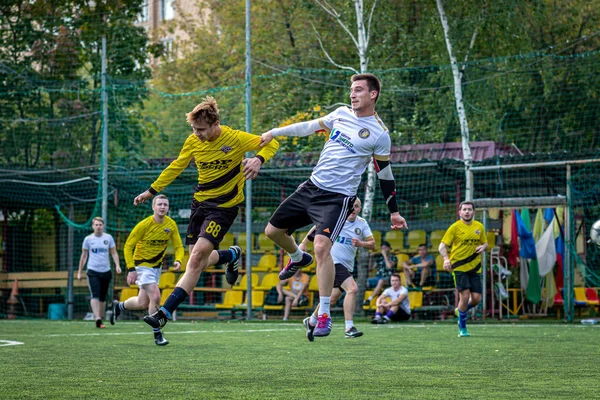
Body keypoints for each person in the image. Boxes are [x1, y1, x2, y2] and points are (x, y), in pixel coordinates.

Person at [260, 73, 408, 338]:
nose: (353, 94)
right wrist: (274, 133)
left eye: (359, 90)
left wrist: (394, 211)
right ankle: (297, 257)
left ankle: (324, 315)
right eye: (351, 90)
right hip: (311, 186)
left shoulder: (379, 134)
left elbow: (385, 174)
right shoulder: (340, 113)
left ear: (373, 94)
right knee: (272, 232)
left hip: (338, 198)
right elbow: (306, 126)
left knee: (321, 246)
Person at [136, 96, 279, 330]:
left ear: (215, 124)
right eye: (193, 129)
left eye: (200, 129)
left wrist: (258, 159)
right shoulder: (193, 142)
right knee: (198, 263)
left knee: (195, 260)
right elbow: (176, 167)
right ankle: (231, 256)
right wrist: (152, 191)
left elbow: (272, 142)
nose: (197, 134)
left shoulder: (235, 138)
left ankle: (164, 312)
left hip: (224, 207)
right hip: (199, 204)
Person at [110, 195, 184, 346]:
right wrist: (131, 269)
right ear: (153, 207)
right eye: (159, 204)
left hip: (156, 267)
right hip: (141, 266)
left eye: (165, 204)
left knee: (142, 303)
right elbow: (128, 246)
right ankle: (158, 335)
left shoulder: (171, 224)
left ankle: (119, 306)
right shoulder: (144, 225)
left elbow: (178, 246)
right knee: (155, 296)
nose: (162, 207)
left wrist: (178, 260)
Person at [301, 198, 375, 341]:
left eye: (357, 207)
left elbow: (372, 244)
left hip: (347, 266)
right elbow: (317, 226)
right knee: (352, 289)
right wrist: (304, 243)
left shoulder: (362, 223)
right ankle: (349, 327)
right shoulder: (337, 218)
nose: (354, 209)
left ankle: (311, 321)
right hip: (333, 262)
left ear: (360, 209)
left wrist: (361, 243)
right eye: (352, 206)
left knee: (331, 299)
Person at [439, 201, 488, 337]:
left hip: (475, 267)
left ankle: (460, 310)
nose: (467, 212)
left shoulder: (479, 227)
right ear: (459, 212)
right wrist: (446, 259)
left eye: (469, 209)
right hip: (459, 267)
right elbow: (442, 246)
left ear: (473, 212)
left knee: (477, 299)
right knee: (464, 297)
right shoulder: (454, 228)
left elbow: (485, 243)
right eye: (464, 209)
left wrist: (483, 247)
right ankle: (463, 329)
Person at [77, 216, 121, 328]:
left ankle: (100, 319)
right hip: (92, 271)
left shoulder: (108, 238)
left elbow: (114, 253)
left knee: (103, 296)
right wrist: (79, 271)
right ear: (93, 226)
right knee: (95, 294)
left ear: (103, 226)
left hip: (106, 271)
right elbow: (84, 256)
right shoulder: (88, 239)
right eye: (96, 225)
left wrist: (117, 265)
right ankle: (97, 318)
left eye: (100, 225)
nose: (98, 227)